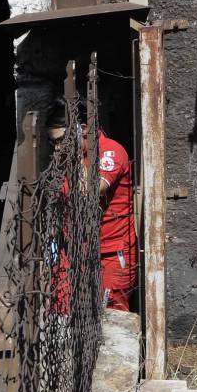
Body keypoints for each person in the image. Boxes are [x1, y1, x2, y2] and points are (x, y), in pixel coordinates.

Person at [46, 99, 137, 311]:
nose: (57, 149)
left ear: (83, 130)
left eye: (61, 141)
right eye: (54, 143)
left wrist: (76, 156)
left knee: (112, 313)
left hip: (110, 252)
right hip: (74, 247)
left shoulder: (111, 152)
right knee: (60, 306)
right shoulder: (63, 158)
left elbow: (89, 192)